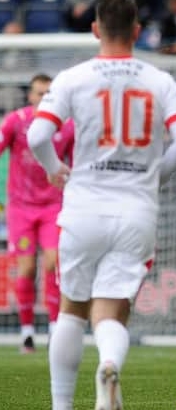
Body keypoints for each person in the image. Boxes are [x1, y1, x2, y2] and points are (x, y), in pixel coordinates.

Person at [26, 0, 176, 410]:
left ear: (94, 29)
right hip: (135, 208)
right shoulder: (159, 79)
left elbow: (37, 136)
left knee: (71, 307)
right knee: (112, 309)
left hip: (84, 203)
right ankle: (108, 365)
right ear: (138, 31)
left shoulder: (73, 77)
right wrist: (153, 175)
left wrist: (55, 170)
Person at [0, 73, 74, 354]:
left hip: (53, 206)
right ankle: (27, 333)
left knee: (53, 264)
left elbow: (76, 163)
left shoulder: (67, 126)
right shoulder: (15, 122)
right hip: (20, 207)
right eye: (39, 93)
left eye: (48, 94)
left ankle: (55, 330)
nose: (43, 98)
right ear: (30, 96)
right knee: (27, 268)